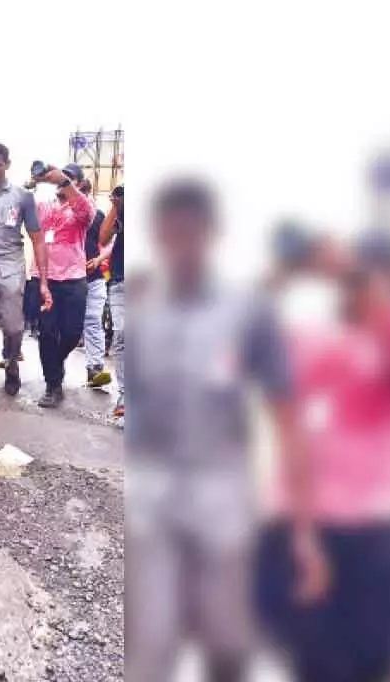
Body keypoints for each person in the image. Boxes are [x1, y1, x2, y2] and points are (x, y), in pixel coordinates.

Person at [127, 178, 326, 682]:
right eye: (171, 236)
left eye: (191, 234)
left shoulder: (248, 312)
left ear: (211, 234)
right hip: (153, 498)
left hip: (223, 496)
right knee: (148, 647)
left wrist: (304, 529)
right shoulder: (142, 311)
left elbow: (288, 416)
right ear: (158, 236)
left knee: (227, 640)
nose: (182, 248)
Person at [257, 235, 390, 682]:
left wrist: (358, 272)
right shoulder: (309, 341)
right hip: (310, 527)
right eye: (358, 280)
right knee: (314, 662)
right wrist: (301, 534)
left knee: (373, 662)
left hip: (377, 529)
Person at [0, 144, 51, 408]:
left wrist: (44, 281)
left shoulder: (23, 197)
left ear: (7, 164)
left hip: (11, 267)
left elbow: (37, 239)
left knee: (14, 327)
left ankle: (12, 361)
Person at [31, 164, 92, 408]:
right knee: (46, 333)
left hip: (74, 278)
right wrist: (34, 183)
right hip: (44, 278)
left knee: (72, 333)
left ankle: (56, 365)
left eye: (69, 178)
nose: (62, 182)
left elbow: (86, 214)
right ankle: (52, 385)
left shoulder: (83, 205)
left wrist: (66, 184)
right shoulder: (44, 206)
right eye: (60, 178)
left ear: (78, 182)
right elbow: (26, 211)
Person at [81, 179, 113, 387]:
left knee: (93, 320)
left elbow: (110, 243)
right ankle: (55, 372)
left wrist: (100, 260)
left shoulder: (99, 216)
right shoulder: (59, 214)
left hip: (94, 277)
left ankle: (95, 367)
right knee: (64, 327)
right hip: (66, 279)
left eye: (85, 191)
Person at [101, 184, 125, 417]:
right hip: (121, 281)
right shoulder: (123, 208)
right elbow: (104, 236)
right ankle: (126, 395)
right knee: (122, 335)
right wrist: (115, 207)